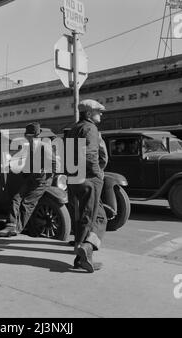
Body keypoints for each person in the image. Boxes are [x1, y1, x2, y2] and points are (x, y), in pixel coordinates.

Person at [0, 122, 59, 237]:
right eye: (28, 136)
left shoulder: (44, 146)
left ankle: (16, 229)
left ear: (34, 136)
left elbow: (55, 163)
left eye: (30, 136)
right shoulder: (29, 146)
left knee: (27, 203)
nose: (28, 138)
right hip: (31, 178)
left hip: (41, 181)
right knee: (16, 199)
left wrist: (46, 173)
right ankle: (10, 224)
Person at [68, 99, 107, 273]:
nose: (101, 114)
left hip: (75, 177)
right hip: (89, 178)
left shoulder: (73, 129)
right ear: (89, 114)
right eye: (98, 111)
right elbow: (92, 155)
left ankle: (81, 258)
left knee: (91, 216)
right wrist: (98, 174)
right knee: (93, 218)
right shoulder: (90, 128)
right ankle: (87, 248)